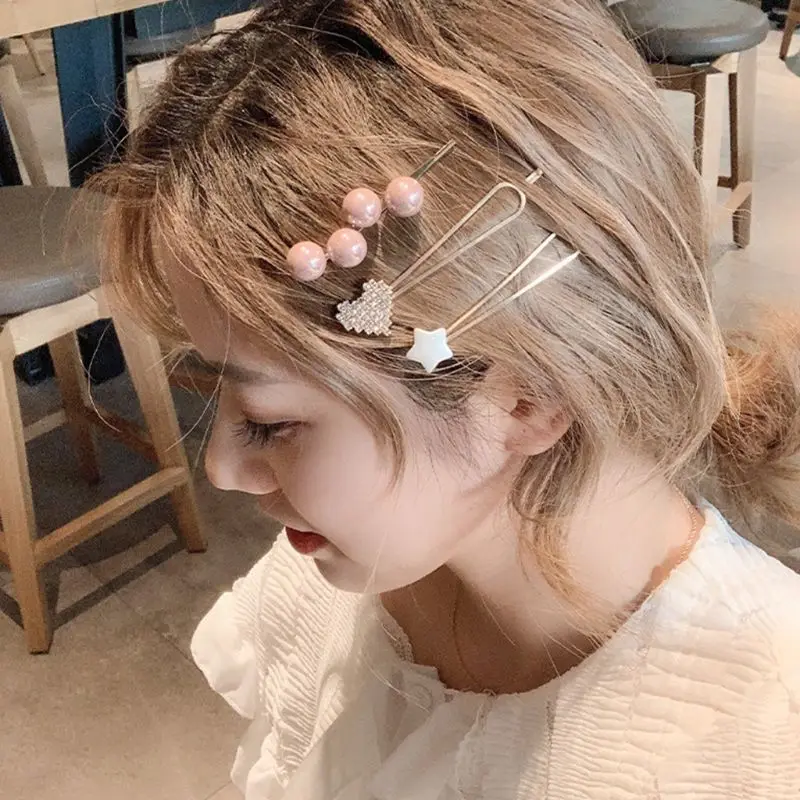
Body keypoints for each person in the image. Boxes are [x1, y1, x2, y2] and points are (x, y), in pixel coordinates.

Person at [90, 0, 800, 796]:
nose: (220, 469)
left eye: (270, 423)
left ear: (526, 395)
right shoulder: (344, 573)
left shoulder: (765, 745)